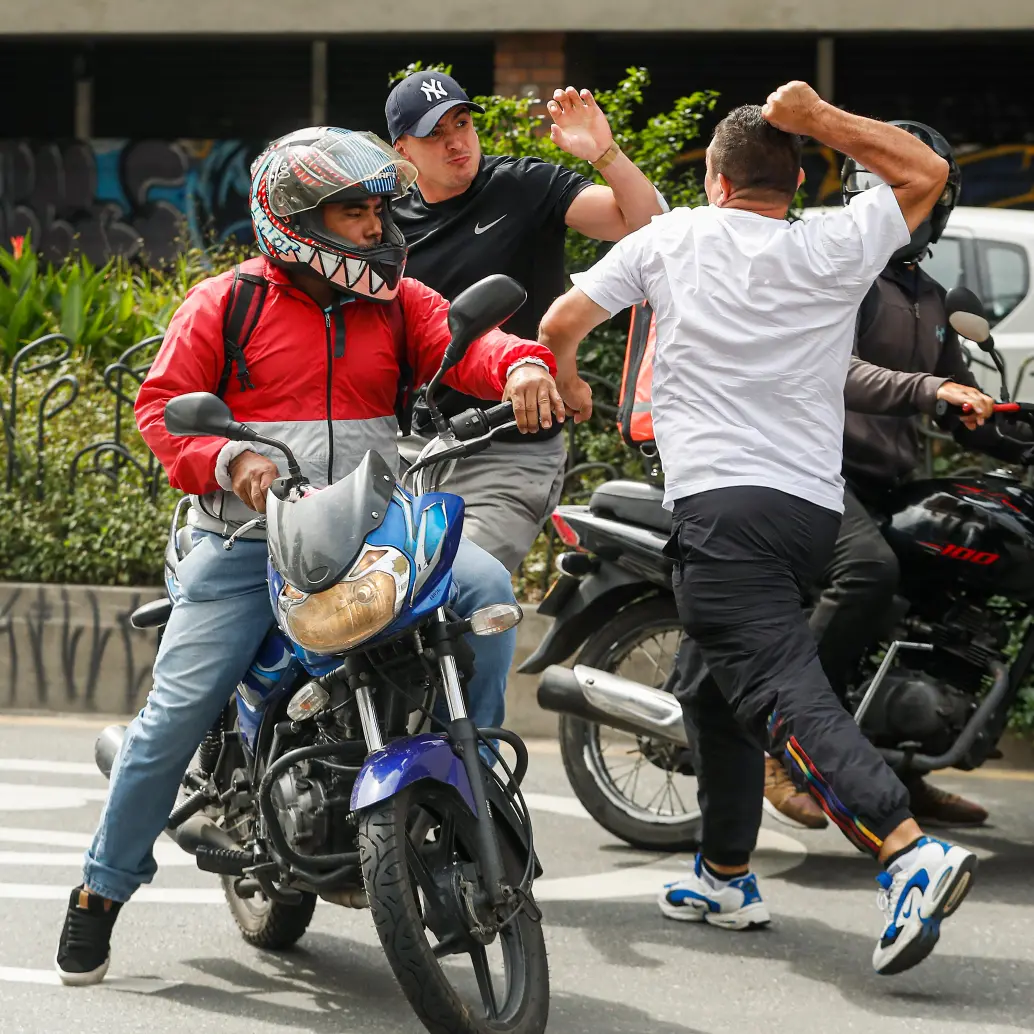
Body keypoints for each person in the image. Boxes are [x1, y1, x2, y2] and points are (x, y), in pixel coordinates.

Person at [54, 126, 565, 987]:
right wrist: (230, 459)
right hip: (247, 541)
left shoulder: (393, 302)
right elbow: (162, 409)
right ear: (294, 220)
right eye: (353, 212)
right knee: (174, 718)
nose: (375, 227)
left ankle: (470, 789)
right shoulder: (225, 303)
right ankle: (101, 890)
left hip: (369, 531)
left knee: (484, 596)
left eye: (378, 210)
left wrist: (519, 365)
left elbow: (468, 344)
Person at [538, 82, 978, 976]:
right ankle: (726, 875)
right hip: (810, 514)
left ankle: (905, 849)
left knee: (779, 690)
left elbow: (558, 323)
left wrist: (571, 379)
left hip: (722, 511)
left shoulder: (673, 238)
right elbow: (927, 171)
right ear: (798, 181)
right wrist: (822, 119)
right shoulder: (832, 242)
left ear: (715, 179)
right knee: (711, 691)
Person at [764, 121, 1009, 830]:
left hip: (887, 483)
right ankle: (782, 740)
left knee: (941, 587)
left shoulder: (929, 296)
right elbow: (832, 370)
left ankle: (898, 764)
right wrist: (928, 390)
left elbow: (961, 400)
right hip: (817, 470)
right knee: (868, 572)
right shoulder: (844, 278)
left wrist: (1006, 426)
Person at [385, 70, 665, 571]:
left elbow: (647, 226)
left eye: (462, 124)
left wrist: (605, 154)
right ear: (402, 150)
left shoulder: (521, 184)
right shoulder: (383, 222)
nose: (456, 142)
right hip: (411, 447)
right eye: (435, 134)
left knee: (456, 584)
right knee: (367, 592)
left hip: (509, 447)